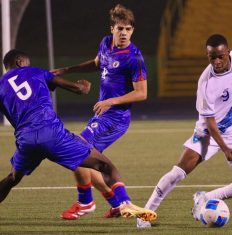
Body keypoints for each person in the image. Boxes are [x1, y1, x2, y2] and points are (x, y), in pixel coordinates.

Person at [0, 49, 156, 222]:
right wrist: (83, 86)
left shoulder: (1, 85)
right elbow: (78, 89)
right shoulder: (37, 72)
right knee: (105, 165)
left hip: (26, 141)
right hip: (53, 136)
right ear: (20, 62)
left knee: (12, 178)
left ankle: (90, 202)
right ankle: (123, 202)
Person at [136, 34, 232, 228]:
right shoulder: (206, 83)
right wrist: (226, 148)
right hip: (208, 134)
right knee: (178, 172)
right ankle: (144, 216)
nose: (217, 61)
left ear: (229, 53)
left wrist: (231, 144)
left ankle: (206, 198)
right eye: (212, 57)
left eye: (220, 56)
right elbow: (210, 124)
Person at [51, 4, 148, 220]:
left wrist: (111, 101)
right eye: (120, 28)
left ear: (132, 30)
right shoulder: (105, 43)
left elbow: (141, 93)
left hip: (116, 118)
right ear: (112, 28)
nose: (124, 33)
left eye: (128, 29)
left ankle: (86, 202)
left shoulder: (134, 58)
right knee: (86, 158)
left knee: (77, 147)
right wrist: (67, 70)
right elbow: (97, 63)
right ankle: (117, 204)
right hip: (102, 115)